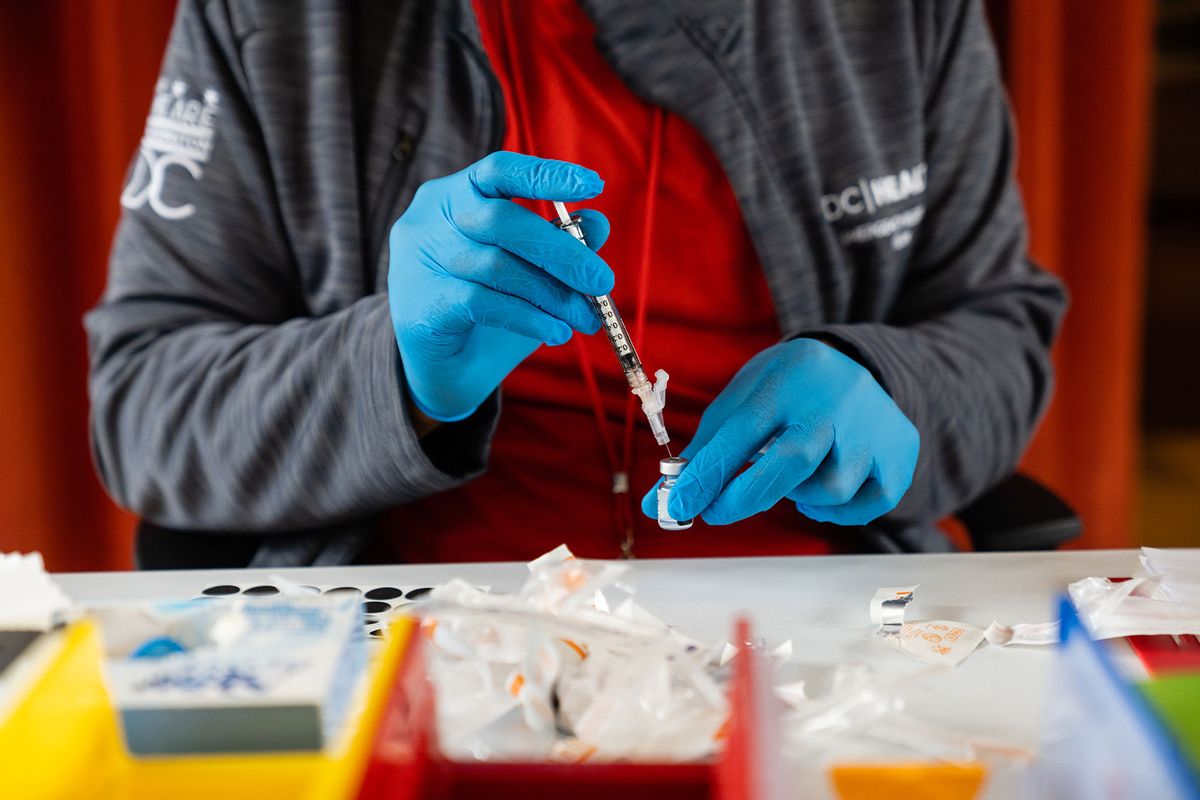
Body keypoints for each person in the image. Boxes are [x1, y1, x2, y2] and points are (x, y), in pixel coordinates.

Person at [86, 0, 1065, 569]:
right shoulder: (285, 26)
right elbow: (143, 409)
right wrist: (396, 371)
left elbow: (998, 331)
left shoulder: (894, 21)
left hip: (821, 644)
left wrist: (887, 382)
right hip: (420, 651)